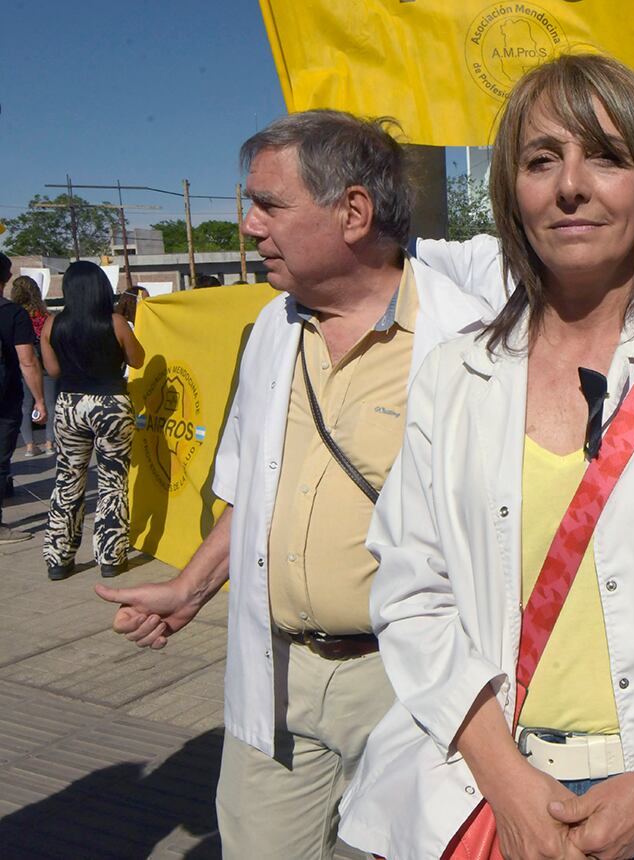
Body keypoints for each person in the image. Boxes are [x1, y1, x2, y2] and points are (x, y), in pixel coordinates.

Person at [338, 55, 634, 860]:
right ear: (513, 192)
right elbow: (411, 593)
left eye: (606, 156)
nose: (570, 185)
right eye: (540, 159)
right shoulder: (456, 376)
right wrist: (508, 782)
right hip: (479, 794)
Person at [94, 110, 508, 858]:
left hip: (409, 683)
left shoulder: (471, 341)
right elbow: (253, 492)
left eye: (269, 204)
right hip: (276, 672)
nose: (249, 226)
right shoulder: (270, 332)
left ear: (354, 212)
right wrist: (189, 589)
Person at [39, 261, 144, 579]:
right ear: (101, 288)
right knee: (113, 482)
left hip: (70, 405)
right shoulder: (115, 322)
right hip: (111, 404)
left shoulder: (51, 325)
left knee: (67, 481)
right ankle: (110, 557)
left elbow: (53, 371)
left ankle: (58, 558)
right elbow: (138, 359)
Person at [0, 251, 47, 544]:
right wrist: (39, 399)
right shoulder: (12, 313)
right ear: (6, 277)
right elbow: (27, 361)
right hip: (4, 399)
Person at [8, 275, 57, 456]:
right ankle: (50, 443)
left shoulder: (13, 314)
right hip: (45, 363)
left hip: (23, 365)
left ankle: (29, 445)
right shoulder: (46, 316)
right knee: (51, 404)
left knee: (25, 405)